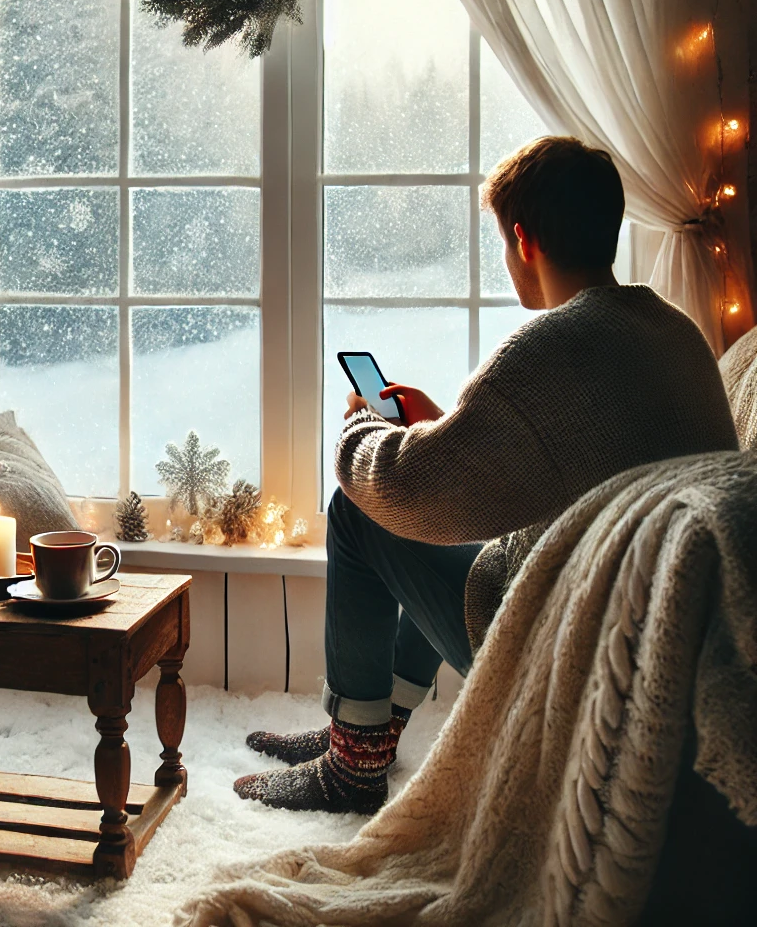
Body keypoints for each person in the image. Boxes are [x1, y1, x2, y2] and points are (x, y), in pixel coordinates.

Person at [234, 136, 738, 814]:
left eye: (503, 242)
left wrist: (363, 426)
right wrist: (446, 427)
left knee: (359, 510)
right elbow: (570, 459)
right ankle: (370, 730)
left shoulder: (548, 347)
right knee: (456, 529)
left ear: (524, 239)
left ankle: (353, 766)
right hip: (653, 651)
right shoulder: (676, 333)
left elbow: (405, 490)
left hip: (560, 659)